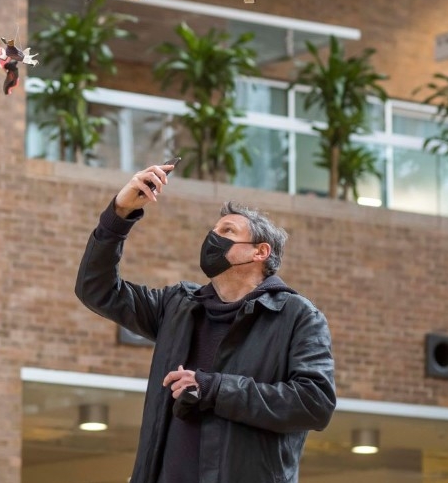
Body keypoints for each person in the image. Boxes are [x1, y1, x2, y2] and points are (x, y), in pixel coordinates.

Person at [75, 162, 336, 483]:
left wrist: (215, 389)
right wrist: (119, 215)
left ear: (260, 252)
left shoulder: (297, 316)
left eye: (227, 231)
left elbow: (314, 403)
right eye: (213, 232)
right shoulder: (177, 306)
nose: (213, 238)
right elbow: (96, 290)